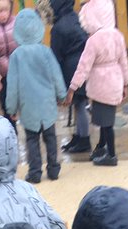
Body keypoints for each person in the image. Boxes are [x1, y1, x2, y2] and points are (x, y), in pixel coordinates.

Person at [5, 7, 67, 184]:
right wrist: (61, 95)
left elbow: (13, 86)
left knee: (32, 140)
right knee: (50, 136)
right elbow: (56, 75)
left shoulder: (16, 56)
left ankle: (35, 172)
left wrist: (11, 107)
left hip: (28, 107)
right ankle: (54, 168)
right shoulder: (46, 52)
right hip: (47, 104)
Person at [65, 0, 128, 167]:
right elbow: (124, 61)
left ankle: (112, 154)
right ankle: (102, 148)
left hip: (101, 86)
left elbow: (83, 67)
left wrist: (73, 87)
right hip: (115, 83)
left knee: (106, 124)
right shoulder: (118, 36)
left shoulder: (93, 41)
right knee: (105, 120)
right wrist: (125, 83)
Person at [37, 0, 92, 156]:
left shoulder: (58, 28)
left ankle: (84, 140)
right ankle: (78, 136)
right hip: (83, 66)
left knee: (80, 105)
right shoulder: (74, 17)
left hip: (71, 69)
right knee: (78, 104)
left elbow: (56, 57)